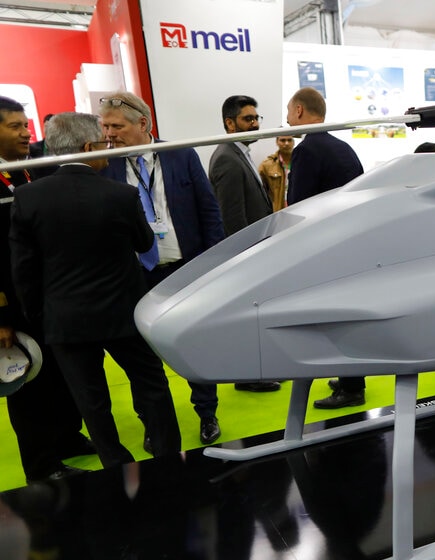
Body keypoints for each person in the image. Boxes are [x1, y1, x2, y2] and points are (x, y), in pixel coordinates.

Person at [9, 112, 181, 467]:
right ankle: (167, 461)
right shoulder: (121, 194)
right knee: (152, 386)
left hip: (65, 320)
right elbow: (144, 242)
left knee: (91, 401)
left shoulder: (28, 197)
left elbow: (23, 269)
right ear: (89, 147)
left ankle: (115, 465)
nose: (109, 148)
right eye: (104, 142)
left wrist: (41, 316)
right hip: (125, 313)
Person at [99, 91, 226, 446]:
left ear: (142, 123)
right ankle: (153, 422)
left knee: (192, 343)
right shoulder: (106, 164)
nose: (109, 134)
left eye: (117, 126)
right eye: (105, 126)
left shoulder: (180, 154)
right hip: (135, 275)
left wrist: (214, 263)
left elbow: (209, 210)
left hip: (185, 269)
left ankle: (207, 412)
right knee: (141, 356)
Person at [0, 97, 93, 480]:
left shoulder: (28, 172)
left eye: (26, 125)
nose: (27, 133)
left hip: (48, 296)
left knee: (59, 373)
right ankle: (41, 467)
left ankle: (67, 438)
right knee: (29, 385)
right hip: (13, 303)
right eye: (16, 126)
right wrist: (2, 318)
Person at [285, 86, 367, 409]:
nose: (287, 119)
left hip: (324, 247)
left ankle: (352, 387)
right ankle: (351, 378)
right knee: (346, 314)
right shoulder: (344, 148)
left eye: (289, 111)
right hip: (350, 244)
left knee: (335, 317)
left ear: (299, 111)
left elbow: (299, 205)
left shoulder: (307, 150)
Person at [210, 95, 282, 394]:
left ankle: (256, 371)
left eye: (256, 118)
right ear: (230, 123)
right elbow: (232, 217)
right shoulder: (227, 158)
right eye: (247, 119)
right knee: (246, 316)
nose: (254, 124)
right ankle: (248, 375)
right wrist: (246, 259)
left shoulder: (238, 153)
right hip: (245, 254)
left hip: (255, 250)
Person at [258, 135, 294, 212]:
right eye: (283, 140)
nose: (287, 143)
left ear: (293, 142)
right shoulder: (267, 165)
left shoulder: (300, 162)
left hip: (298, 208)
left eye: (289, 140)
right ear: (277, 142)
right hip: (277, 211)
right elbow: (260, 193)